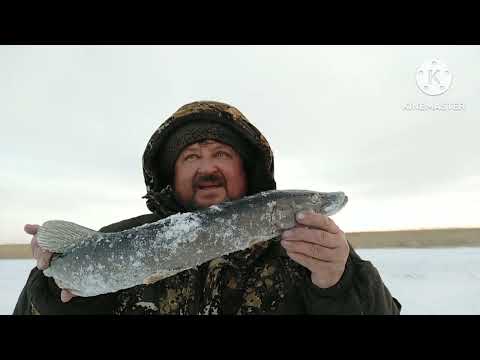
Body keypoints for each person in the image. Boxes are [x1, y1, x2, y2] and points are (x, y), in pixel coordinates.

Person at [13, 101, 401, 315]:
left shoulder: (310, 253)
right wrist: (51, 289)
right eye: (191, 156)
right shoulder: (117, 235)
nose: (207, 166)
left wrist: (340, 282)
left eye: (221, 153)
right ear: (170, 173)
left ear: (246, 170)